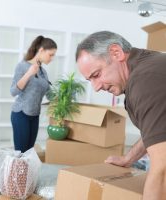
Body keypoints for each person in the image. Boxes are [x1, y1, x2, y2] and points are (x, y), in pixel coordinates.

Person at [75, 31, 166, 200]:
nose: (96, 87)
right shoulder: (146, 65)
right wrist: (128, 159)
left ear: (116, 53)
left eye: (96, 75)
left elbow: (162, 168)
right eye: (90, 80)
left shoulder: (145, 81)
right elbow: (158, 131)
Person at [10, 35, 57, 153]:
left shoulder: (43, 72)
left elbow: (49, 94)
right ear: (41, 50)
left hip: (34, 116)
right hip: (21, 114)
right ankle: (15, 172)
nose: (52, 58)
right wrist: (28, 74)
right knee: (21, 154)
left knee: (29, 152)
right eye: (50, 54)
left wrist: (64, 99)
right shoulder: (22, 66)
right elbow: (13, 91)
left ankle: (26, 172)